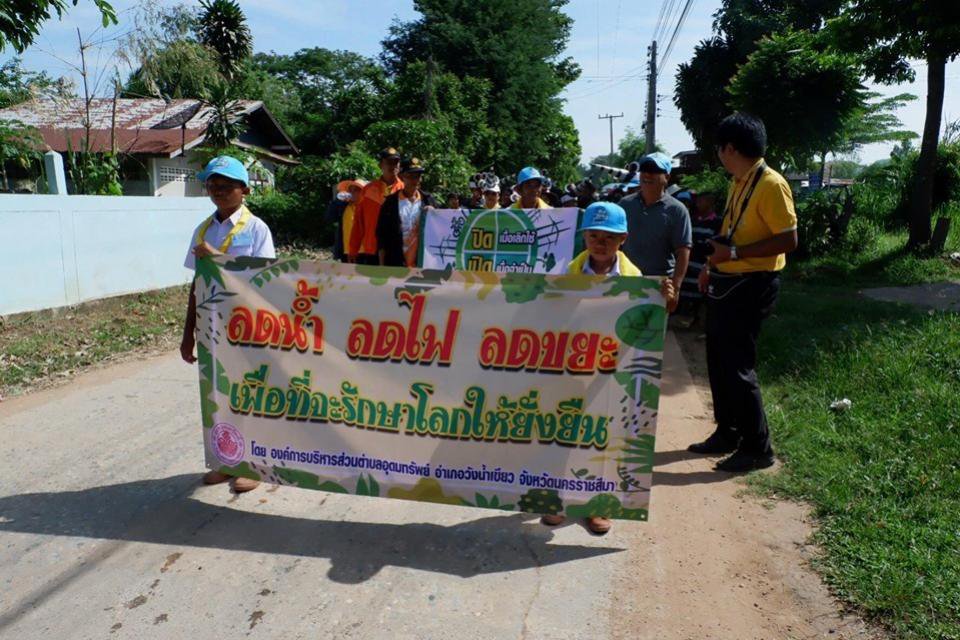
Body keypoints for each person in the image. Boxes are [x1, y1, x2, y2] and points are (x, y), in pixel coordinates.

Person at [541, 201, 676, 535]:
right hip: (572, 369)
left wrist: (666, 301)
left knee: (604, 437)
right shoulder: (564, 276)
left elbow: (649, 321)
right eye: (593, 235)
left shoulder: (637, 281)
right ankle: (558, 498)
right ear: (584, 236)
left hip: (614, 371)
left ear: (623, 239)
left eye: (609, 237)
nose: (600, 243)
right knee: (565, 436)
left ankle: (598, 504)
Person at [688, 112, 798, 472]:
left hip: (753, 284)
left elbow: (788, 239)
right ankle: (728, 431)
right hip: (727, 280)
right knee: (718, 360)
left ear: (730, 148)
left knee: (738, 365)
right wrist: (710, 266)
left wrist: (733, 255)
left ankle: (757, 447)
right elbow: (732, 230)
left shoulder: (770, 183)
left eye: (719, 149)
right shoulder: (740, 181)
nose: (718, 155)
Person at [180, 155, 275, 493]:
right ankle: (226, 460)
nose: (217, 190)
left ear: (244, 189)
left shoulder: (256, 229)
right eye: (211, 184)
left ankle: (256, 464)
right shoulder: (203, 230)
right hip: (211, 327)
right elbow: (196, 284)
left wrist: (217, 258)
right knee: (219, 395)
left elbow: (263, 281)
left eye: (226, 184)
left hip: (247, 327)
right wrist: (187, 334)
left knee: (251, 394)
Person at [619, 152, 690, 313]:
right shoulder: (624, 205)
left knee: (651, 335)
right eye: (644, 169)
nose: (648, 174)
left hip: (659, 286)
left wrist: (676, 289)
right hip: (626, 282)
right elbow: (614, 243)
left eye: (654, 170)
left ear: (667, 177)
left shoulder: (677, 210)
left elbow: (683, 251)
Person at [376, 157, 437, 268]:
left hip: (421, 264)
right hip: (396, 263)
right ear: (402, 176)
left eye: (418, 176)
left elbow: (438, 231)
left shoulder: (428, 200)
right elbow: (382, 236)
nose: (415, 180)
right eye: (411, 176)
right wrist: (381, 265)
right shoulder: (390, 203)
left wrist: (434, 214)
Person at [348, 147, 402, 265]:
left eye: (396, 162)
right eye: (389, 162)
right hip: (372, 249)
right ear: (380, 165)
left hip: (398, 251)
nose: (393, 166)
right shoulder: (368, 190)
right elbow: (358, 222)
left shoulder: (404, 190)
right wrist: (353, 249)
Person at [678, 190, 721, 323]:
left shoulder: (718, 223)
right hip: (688, 265)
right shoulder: (692, 220)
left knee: (699, 293)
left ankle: (696, 320)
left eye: (701, 200)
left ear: (710, 202)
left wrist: (696, 245)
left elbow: (714, 246)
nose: (697, 203)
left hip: (702, 266)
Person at [326, 179, 367, 262]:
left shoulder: (368, 208)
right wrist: (338, 201)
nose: (352, 193)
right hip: (346, 252)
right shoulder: (343, 206)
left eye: (356, 190)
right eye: (350, 190)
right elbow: (329, 218)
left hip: (364, 252)